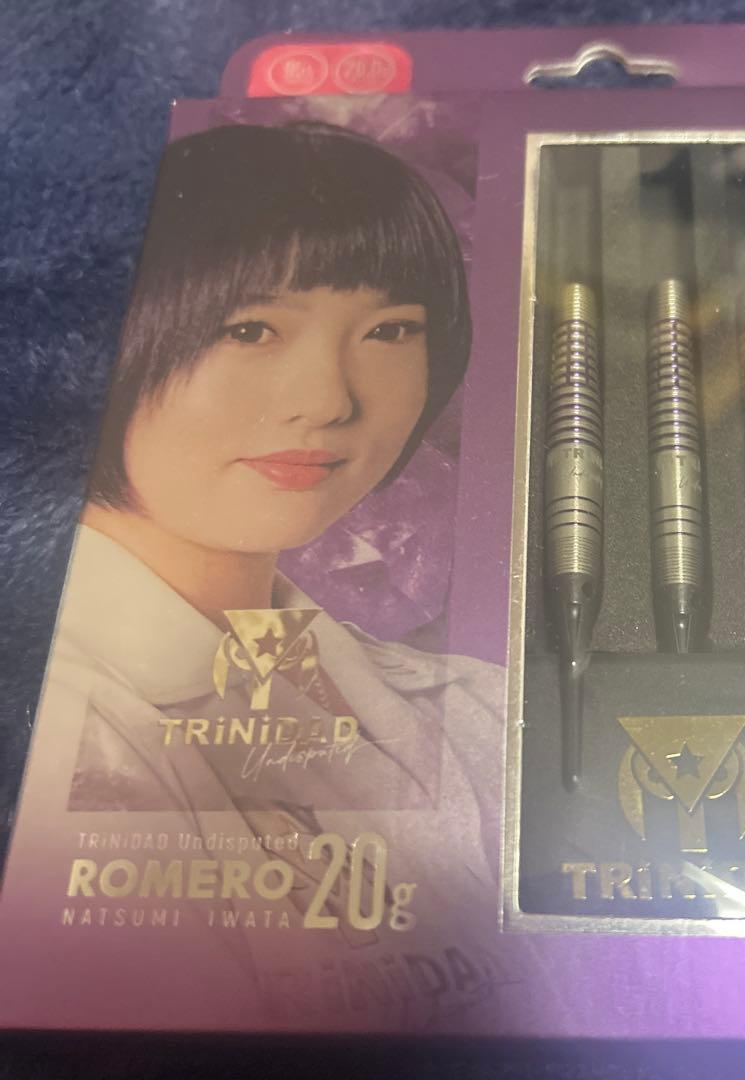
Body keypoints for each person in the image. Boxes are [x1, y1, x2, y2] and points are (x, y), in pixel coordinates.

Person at [29, 121, 522, 1026]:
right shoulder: (64, 734)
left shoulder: (472, 707)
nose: (328, 400)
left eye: (389, 330)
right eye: (250, 328)